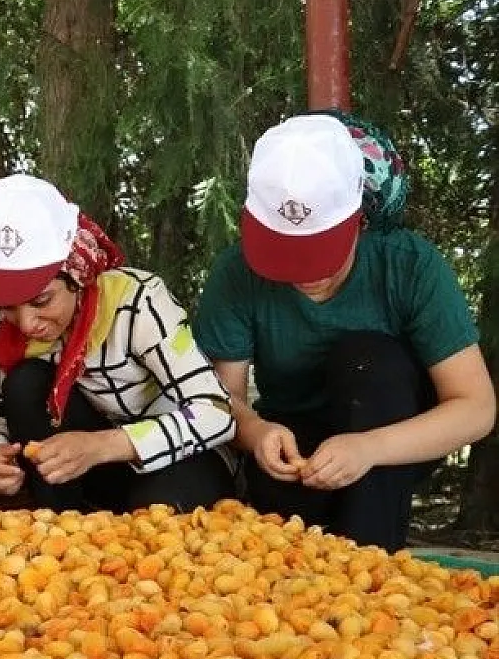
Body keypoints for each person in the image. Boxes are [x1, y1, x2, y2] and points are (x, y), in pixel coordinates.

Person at [193, 113, 494, 551]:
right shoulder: (235, 273)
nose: (304, 274)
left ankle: (372, 568)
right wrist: (257, 432)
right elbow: (224, 399)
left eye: (319, 253)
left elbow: (476, 408)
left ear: (360, 219)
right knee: (280, 522)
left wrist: (369, 448)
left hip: (390, 435)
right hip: (296, 441)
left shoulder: (409, 265)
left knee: (368, 360)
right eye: (284, 255)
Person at [0, 175, 237, 513]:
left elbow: (216, 413)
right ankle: (61, 524)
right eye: (8, 306)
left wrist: (103, 446)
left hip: (181, 460)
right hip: (94, 471)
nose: (27, 323)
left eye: (42, 301)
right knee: (25, 383)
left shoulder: (139, 303)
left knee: (154, 522)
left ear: (77, 275)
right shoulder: (3, 323)